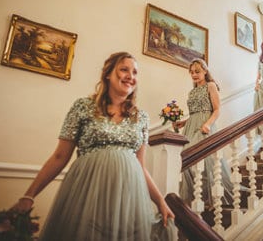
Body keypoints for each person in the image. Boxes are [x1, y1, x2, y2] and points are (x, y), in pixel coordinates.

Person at [12, 52, 175, 240]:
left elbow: (140, 165)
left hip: (127, 198)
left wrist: (160, 201)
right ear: (108, 74)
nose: (131, 76)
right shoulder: (83, 107)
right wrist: (29, 195)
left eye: (135, 72)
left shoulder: (141, 117)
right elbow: (59, 157)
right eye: (124, 70)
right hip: (88, 193)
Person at [174, 59, 235, 207]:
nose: (194, 74)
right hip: (190, 128)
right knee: (186, 160)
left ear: (205, 71)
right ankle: (195, 198)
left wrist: (207, 124)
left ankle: (211, 198)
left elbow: (217, 109)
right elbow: (194, 113)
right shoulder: (192, 91)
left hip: (204, 126)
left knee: (205, 161)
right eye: (192, 72)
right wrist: (183, 122)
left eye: (197, 71)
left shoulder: (211, 85)